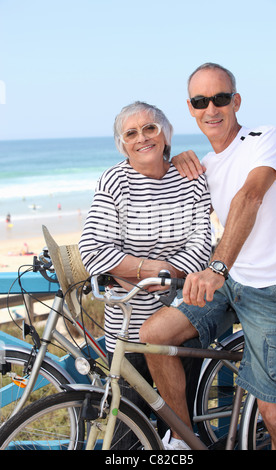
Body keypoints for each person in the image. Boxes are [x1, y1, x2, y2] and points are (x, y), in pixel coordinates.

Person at [139, 63, 276, 450]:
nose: (211, 109)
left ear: (236, 101)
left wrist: (215, 268)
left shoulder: (265, 138)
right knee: (154, 336)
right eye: (200, 101)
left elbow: (251, 196)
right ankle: (181, 437)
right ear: (191, 109)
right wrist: (173, 159)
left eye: (220, 98)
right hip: (232, 284)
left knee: (274, 414)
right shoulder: (204, 167)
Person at [79, 101, 212, 448]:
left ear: (165, 134)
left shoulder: (191, 179)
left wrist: (138, 271)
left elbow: (200, 246)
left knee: (179, 431)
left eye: (150, 128)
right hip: (126, 327)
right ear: (122, 144)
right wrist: (149, 269)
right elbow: (93, 250)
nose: (142, 138)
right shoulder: (115, 180)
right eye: (131, 133)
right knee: (127, 437)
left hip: (179, 323)